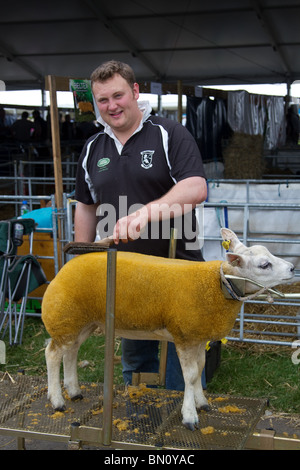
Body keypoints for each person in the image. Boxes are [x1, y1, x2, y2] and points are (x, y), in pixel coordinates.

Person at [74, 60, 207, 390]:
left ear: (135, 92)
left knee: (184, 363)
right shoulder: (93, 148)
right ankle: (141, 427)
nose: (112, 106)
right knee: (136, 363)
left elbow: (195, 187)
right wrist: (81, 259)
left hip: (178, 270)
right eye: (103, 100)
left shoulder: (168, 133)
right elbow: (86, 205)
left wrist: (144, 214)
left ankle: (182, 433)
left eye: (118, 96)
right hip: (128, 276)